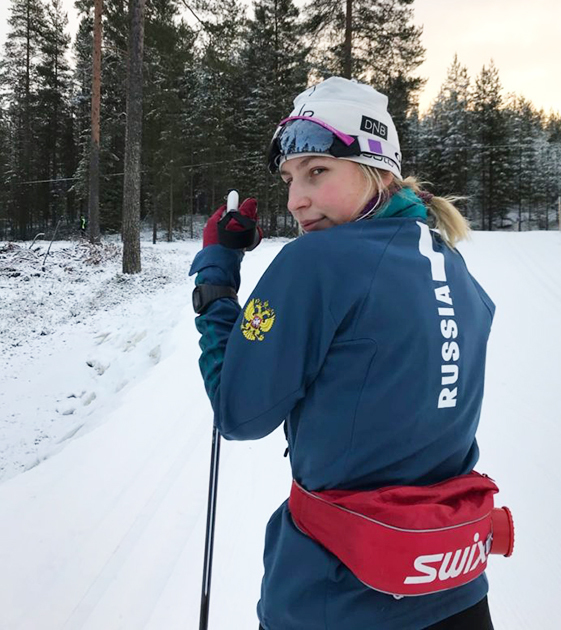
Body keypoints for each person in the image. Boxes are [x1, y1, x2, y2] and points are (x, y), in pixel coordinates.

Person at [190, 77, 502, 629]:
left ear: (377, 169)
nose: (296, 199)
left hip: (337, 596)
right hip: (454, 587)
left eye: (317, 171)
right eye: (289, 178)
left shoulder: (317, 262)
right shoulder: (451, 262)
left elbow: (238, 412)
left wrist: (217, 279)